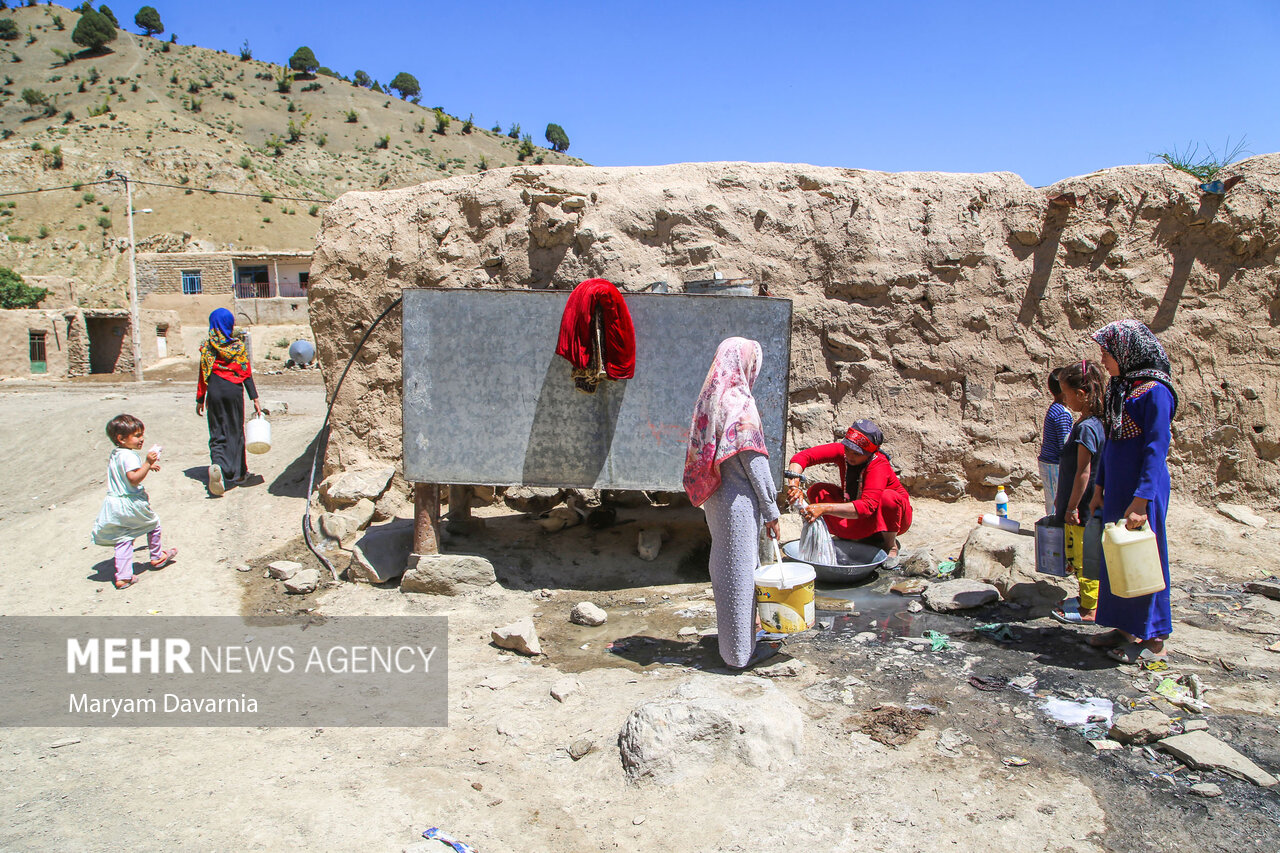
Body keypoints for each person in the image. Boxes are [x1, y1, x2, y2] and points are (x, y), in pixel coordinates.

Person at [683, 337, 781, 670]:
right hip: (738, 503)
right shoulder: (740, 402)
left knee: (724, 569)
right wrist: (771, 510)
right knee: (740, 574)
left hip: (716, 499)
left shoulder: (711, 397)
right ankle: (739, 654)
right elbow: (755, 462)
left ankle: (732, 642)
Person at [1086, 320, 1177, 664]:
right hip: (1117, 487)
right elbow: (1111, 441)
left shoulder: (1156, 391)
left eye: (1107, 351)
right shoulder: (1120, 388)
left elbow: (1156, 447)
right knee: (1117, 556)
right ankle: (1123, 626)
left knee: (1145, 558)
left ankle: (1154, 638)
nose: (1103, 358)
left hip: (1142, 489)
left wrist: (1142, 499)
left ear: (1127, 352)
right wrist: (1100, 487)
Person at [784, 419, 912, 559]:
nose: (850, 456)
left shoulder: (878, 464)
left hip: (889, 517)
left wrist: (824, 508)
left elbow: (866, 507)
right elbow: (803, 457)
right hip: (858, 510)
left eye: (857, 453)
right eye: (847, 450)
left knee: (888, 498)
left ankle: (889, 545)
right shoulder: (843, 453)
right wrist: (793, 485)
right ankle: (851, 537)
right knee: (818, 491)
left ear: (870, 452)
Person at [1050, 360, 1107, 624]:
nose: (1064, 399)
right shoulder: (1096, 422)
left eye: (1066, 394)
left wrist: (1071, 507)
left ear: (1081, 394)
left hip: (1081, 506)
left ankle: (1088, 609)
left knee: (1084, 559)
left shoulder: (1086, 428)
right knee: (1087, 556)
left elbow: (1083, 472)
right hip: (1086, 504)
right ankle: (1089, 600)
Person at [92, 414, 177, 589]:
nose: (142, 439)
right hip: (131, 503)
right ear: (121, 439)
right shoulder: (130, 456)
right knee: (153, 524)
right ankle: (157, 556)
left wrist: (146, 467)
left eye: (141, 435)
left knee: (124, 537)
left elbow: (125, 474)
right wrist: (147, 462)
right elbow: (133, 479)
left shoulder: (116, 453)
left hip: (114, 504)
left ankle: (123, 577)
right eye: (137, 435)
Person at [196, 308, 262, 496]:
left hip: (214, 390)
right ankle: (240, 474)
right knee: (235, 430)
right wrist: (254, 398)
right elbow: (246, 372)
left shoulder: (207, 347)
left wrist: (200, 399)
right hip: (233, 390)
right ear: (229, 324)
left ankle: (218, 466)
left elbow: (203, 374)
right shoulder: (237, 347)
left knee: (217, 431)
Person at [1038, 368, 1074, 516]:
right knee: (1057, 502)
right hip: (1055, 464)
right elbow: (1064, 445)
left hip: (1048, 462)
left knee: (1052, 500)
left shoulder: (1055, 409)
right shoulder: (1062, 413)